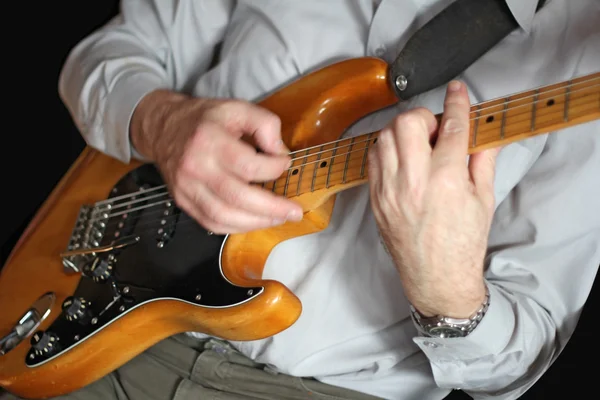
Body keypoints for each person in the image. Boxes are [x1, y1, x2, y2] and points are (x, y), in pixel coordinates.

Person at [6, 0, 599, 399]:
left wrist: (448, 292)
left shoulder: (585, 50)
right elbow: (108, 52)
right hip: (110, 339)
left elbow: (522, 360)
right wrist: (163, 121)